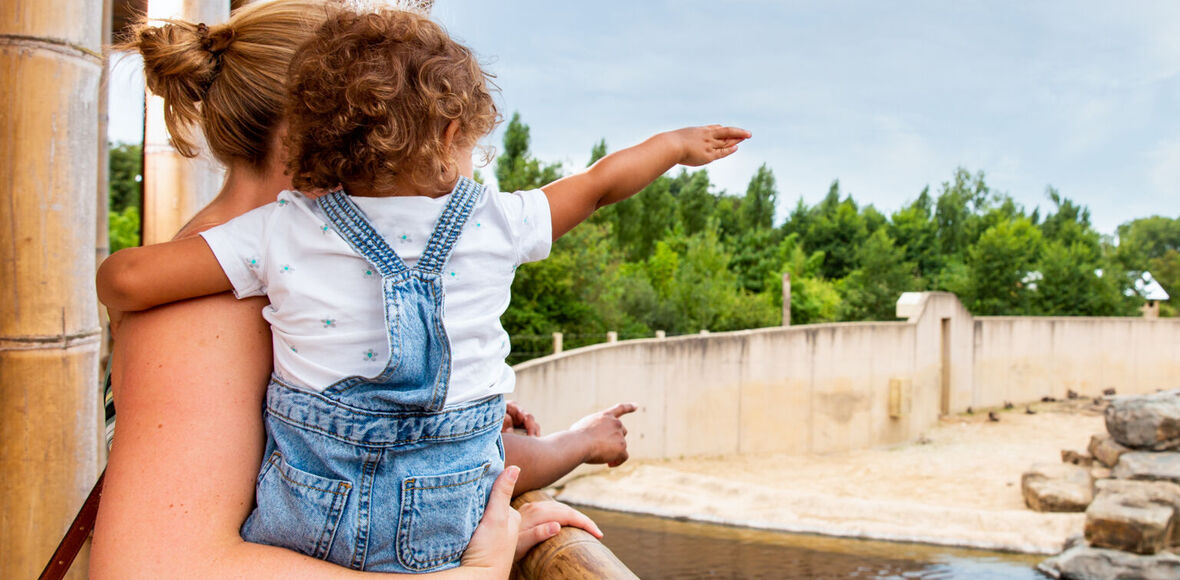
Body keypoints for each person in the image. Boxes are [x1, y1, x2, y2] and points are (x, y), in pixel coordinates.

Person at [96, 4, 749, 574]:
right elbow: (157, 567)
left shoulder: (281, 254)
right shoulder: (201, 304)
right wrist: (463, 574)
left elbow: (373, 458)